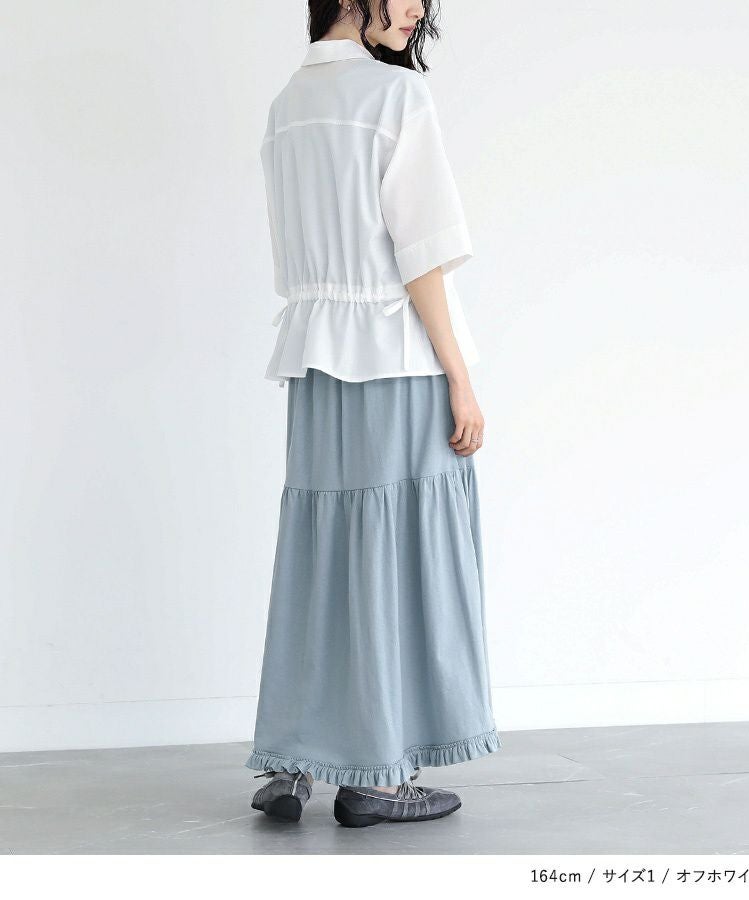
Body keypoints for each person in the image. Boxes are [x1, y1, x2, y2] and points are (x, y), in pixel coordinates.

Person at [246, 0, 501, 829]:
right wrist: (460, 377)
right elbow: (421, 256)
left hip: (317, 365)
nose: (418, 10)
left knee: (325, 556)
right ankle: (378, 776)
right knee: (395, 557)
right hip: (396, 358)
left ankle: (294, 762)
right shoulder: (397, 97)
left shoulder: (287, 105)